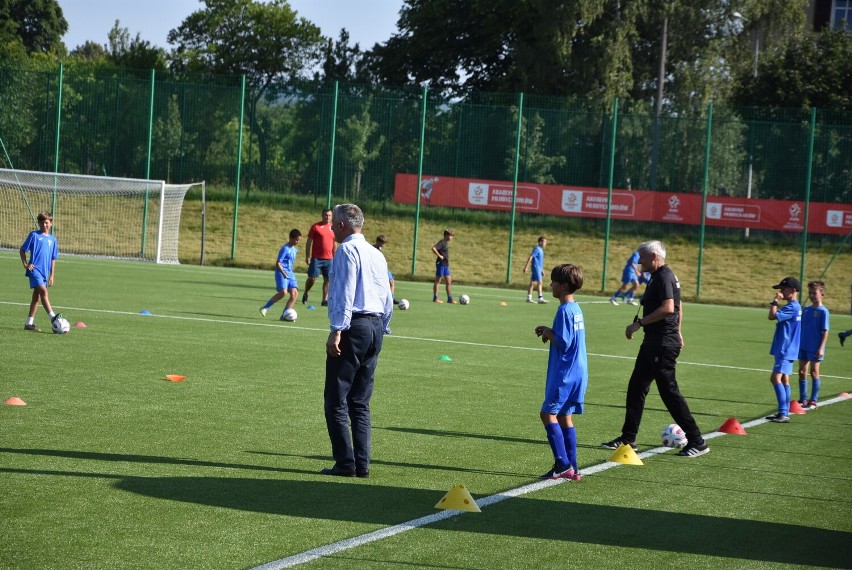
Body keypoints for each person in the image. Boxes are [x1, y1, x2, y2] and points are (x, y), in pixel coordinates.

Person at [601, 240, 709, 457]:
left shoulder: (664, 276)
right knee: (636, 388)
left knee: (669, 392)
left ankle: (697, 440)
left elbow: (669, 307)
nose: (639, 261)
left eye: (641, 257)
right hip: (653, 343)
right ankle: (628, 439)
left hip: (662, 344)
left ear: (653, 257)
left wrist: (639, 323)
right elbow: (679, 305)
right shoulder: (659, 277)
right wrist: (678, 330)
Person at [321, 204, 393, 479]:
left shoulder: (347, 251)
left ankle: (345, 463)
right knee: (360, 401)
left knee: (336, 398)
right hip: (374, 327)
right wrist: (383, 327)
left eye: (333, 224)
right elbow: (386, 295)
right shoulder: (376, 253)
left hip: (355, 326)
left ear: (341, 225)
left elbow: (344, 291)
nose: (331, 229)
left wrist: (337, 329)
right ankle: (362, 464)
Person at [535, 264, 587, 480]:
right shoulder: (576, 308)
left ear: (564, 285)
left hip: (565, 374)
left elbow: (564, 343)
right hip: (579, 371)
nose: (550, 285)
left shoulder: (564, 310)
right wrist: (551, 332)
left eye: (554, 281)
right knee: (565, 416)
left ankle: (563, 464)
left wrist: (548, 331)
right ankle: (572, 467)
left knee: (547, 414)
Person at [766, 276, 802, 423]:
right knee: (785, 379)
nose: (781, 291)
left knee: (775, 378)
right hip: (789, 348)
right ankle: (784, 411)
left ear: (793, 290)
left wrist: (775, 301)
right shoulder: (796, 306)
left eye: (783, 289)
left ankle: (783, 413)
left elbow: (772, 315)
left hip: (785, 349)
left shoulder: (792, 307)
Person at [20, 211, 62, 332]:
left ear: (51, 224)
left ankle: (29, 323)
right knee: (43, 291)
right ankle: (53, 317)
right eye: (42, 223)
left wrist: (52, 275)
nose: (44, 225)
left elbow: (53, 258)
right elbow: (22, 250)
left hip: (44, 273)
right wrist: (26, 264)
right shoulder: (34, 235)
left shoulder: (53, 240)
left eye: (47, 223)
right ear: (38, 223)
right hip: (34, 270)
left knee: (36, 298)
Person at [797, 280, 829, 410]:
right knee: (801, 371)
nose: (811, 295)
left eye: (814, 293)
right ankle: (802, 399)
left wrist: (821, 348)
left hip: (815, 347)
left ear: (822, 294)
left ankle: (813, 400)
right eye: (810, 293)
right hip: (803, 345)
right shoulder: (806, 310)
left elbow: (825, 331)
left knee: (814, 372)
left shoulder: (823, 312)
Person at [259, 229, 302, 320]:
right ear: (290, 238)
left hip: (290, 273)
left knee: (295, 293)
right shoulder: (285, 249)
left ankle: (284, 315)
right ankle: (265, 307)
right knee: (283, 292)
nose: (297, 242)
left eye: (298, 240)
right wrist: (284, 274)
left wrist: (290, 274)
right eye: (296, 240)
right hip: (281, 272)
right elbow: (278, 263)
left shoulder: (295, 250)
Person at [303, 208, 336, 307]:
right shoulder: (316, 226)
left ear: (332, 217)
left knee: (328, 279)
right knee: (312, 278)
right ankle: (306, 292)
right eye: (326, 215)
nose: (327, 217)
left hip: (329, 258)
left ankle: (324, 300)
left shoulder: (333, 228)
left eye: (329, 215)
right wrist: (308, 255)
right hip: (317, 258)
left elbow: (334, 243)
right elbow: (309, 242)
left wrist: (335, 257)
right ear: (322, 216)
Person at [431, 229, 456, 304]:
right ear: (445, 235)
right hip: (440, 264)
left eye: (452, 236)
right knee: (438, 281)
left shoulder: (446, 243)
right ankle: (435, 298)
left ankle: (449, 299)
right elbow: (433, 248)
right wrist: (439, 256)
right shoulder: (441, 242)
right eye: (450, 236)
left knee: (449, 281)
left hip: (446, 265)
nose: (451, 237)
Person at [373, 235, 398, 304]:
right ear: (378, 242)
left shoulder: (379, 248)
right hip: (377, 269)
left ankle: (391, 298)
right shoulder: (372, 249)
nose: (384, 245)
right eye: (383, 243)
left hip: (384, 268)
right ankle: (388, 299)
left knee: (391, 282)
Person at [523, 236, 549, 304]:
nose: (546, 243)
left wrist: (542, 270)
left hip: (538, 268)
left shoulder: (541, 250)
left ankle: (529, 298)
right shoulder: (537, 249)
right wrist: (526, 267)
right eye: (545, 242)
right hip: (535, 267)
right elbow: (531, 257)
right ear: (540, 242)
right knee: (540, 282)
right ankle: (540, 298)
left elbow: (540, 261)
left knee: (532, 283)